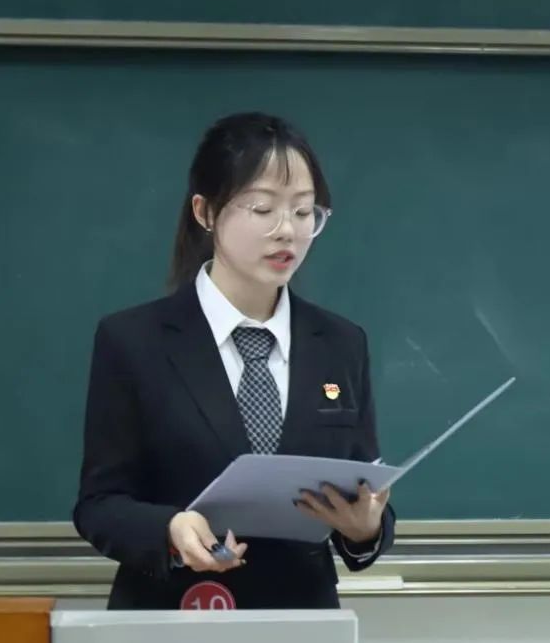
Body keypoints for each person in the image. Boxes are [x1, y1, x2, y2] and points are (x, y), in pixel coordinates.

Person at [73, 112, 395, 610]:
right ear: (205, 211)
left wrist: (365, 528)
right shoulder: (133, 340)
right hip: (174, 613)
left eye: (304, 211)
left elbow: (363, 484)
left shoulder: (340, 343)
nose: (287, 232)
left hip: (300, 617)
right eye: (263, 209)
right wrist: (170, 528)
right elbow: (99, 504)